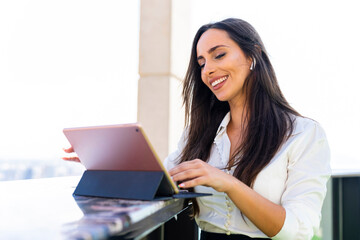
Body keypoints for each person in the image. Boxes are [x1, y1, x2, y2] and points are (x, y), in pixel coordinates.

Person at [64, 18, 331, 240]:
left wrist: (228, 183)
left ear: (253, 55)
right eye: (202, 62)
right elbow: (164, 181)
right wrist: (109, 161)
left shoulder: (303, 134)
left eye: (219, 55)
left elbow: (298, 230)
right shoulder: (200, 133)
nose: (208, 70)